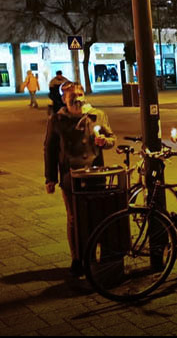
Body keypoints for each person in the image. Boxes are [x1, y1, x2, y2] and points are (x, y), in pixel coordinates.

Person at [44, 82, 115, 276]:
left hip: (95, 174)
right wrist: (50, 178)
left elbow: (112, 138)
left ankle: (95, 256)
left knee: (96, 216)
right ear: (64, 98)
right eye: (72, 95)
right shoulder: (57, 120)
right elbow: (49, 149)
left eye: (80, 93)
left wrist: (105, 141)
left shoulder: (97, 115)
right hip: (71, 176)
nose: (77, 97)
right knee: (75, 218)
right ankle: (77, 258)